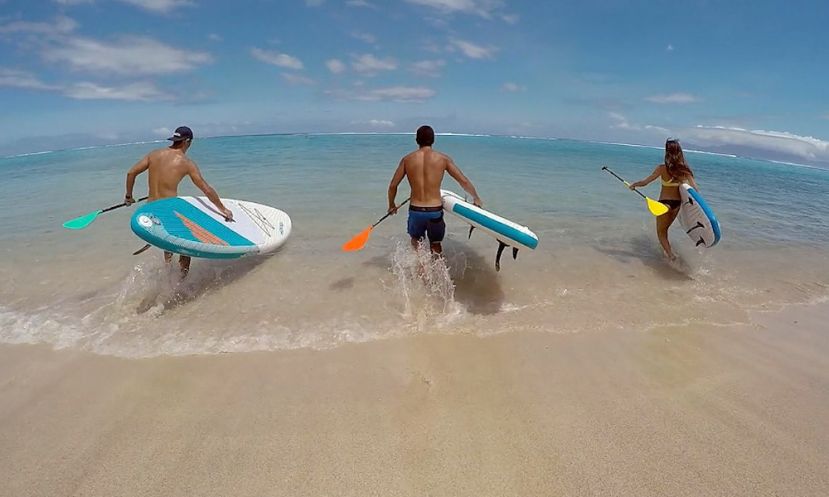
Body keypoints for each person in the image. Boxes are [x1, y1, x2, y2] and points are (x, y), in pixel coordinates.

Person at [124, 126, 233, 277]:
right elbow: (206, 189)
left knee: (168, 243)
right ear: (187, 141)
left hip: (150, 209)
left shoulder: (154, 154)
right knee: (186, 243)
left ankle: (168, 269)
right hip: (167, 209)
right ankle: (181, 281)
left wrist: (129, 196)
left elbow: (131, 173)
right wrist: (223, 209)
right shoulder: (186, 163)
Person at [387, 125, 482, 254]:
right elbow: (463, 181)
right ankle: (438, 272)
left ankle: (421, 269)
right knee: (435, 245)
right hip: (434, 210)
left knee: (417, 242)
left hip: (416, 210)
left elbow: (393, 185)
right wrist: (475, 197)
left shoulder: (407, 160)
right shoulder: (443, 159)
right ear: (433, 140)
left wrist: (392, 204)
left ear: (416, 140)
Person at [628, 138, 699, 261]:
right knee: (666, 230)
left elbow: (645, 182)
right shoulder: (685, 170)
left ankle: (671, 256)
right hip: (677, 205)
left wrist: (634, 185)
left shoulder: (661, 168)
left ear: (667, 152)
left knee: (661, 232)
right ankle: (668, 254)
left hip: (664, 205)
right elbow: (695, 190)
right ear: (679, 152)